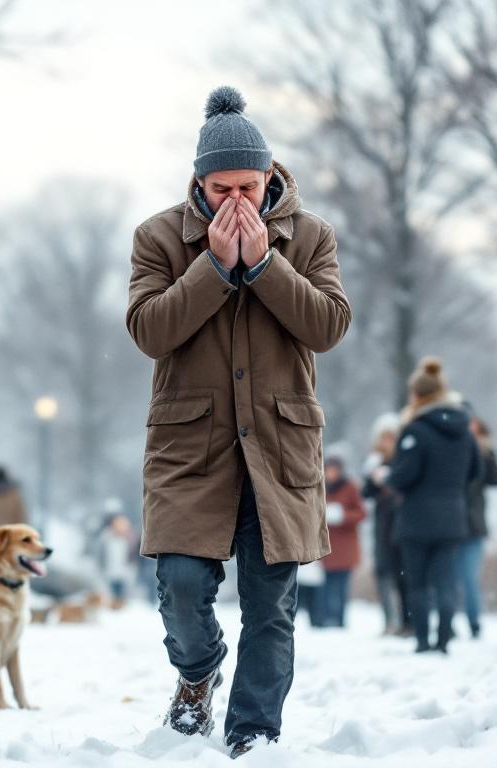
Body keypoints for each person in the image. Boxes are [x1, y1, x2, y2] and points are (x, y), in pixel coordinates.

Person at [126, 86, 351, 758]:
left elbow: (328, 325)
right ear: (199, 181)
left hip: (280, 449)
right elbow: (148, 330)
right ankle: (197, 674)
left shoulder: (310, 236)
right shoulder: (159, 237)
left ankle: (254, 732)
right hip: (190, 449)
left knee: (270, 608)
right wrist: (214, 269)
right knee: (183, 588)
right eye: (221, 189)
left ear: (270, 175)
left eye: (248, 188)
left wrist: (262, 265)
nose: (235, 203)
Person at [380, 358, 480, 655]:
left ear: (418, 395)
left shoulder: (416, 430)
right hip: (453, 517)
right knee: (446, 582)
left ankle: (423, 641)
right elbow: (476, 471)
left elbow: (403, 476)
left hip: (417, 519)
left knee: (419, 582)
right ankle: (445, 639)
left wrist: (389, 476)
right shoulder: (465, 430)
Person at [364, 414, 410, 636]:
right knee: (383, 574)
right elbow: (366, 493)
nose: (388, 441)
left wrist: (391, 480)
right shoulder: (374, 460)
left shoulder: (404, 459)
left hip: (402, 523)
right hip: (382, 526)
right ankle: (389, 621)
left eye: (392, 436)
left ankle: (405, 622)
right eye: (385, 437)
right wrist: (373, 477)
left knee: (403, 576)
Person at [458, 414, 497, 639]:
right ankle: (451, 623)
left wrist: (484, 450)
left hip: (474, 525)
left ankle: (474, 622)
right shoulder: (453, 450)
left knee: (468, 578)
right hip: (452, 524)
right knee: (450, 579)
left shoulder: (484, 454)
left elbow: (496, 479)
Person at [320, 458, 366, 628]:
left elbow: (361, 513)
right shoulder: (321, 487)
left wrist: (342, 516)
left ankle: (340, 620)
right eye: (328, 470)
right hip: (326, 547)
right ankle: (327, 618)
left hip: (346, 548)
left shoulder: (350, 487)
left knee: (341, 587)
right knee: (326, 586)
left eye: (334, 470)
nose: (330, 474)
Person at [98, 513, 137, 607]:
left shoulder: (128, 539)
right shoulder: (106, 538)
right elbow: (101, 555)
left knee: (122, 593)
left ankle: (120, 607)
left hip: (123, 571)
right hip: (109, 571)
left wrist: (131, 566)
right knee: (111, 593)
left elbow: (132, 555)